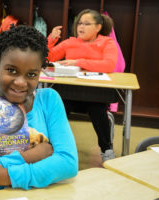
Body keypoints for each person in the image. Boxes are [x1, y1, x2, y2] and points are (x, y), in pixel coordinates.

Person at [0, 25, 78, 196]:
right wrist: (34, 155)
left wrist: (4, 176)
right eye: (11, 71)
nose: (21, 82)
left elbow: (68, 163)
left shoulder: (49, 100)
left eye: (31, 74)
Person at [47, 9, 118, 162]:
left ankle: (107, 150)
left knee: (98, 110)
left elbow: (109, 65)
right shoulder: (70, 42)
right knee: (57, 109)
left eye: (87, 24)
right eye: (79, 23)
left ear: (98, 27)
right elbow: (49, 58)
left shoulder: (107, 42)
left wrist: (77, 62)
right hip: (69, 93)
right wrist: (52, 39)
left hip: (95, 95)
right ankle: (55, 148)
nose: (81, 27)